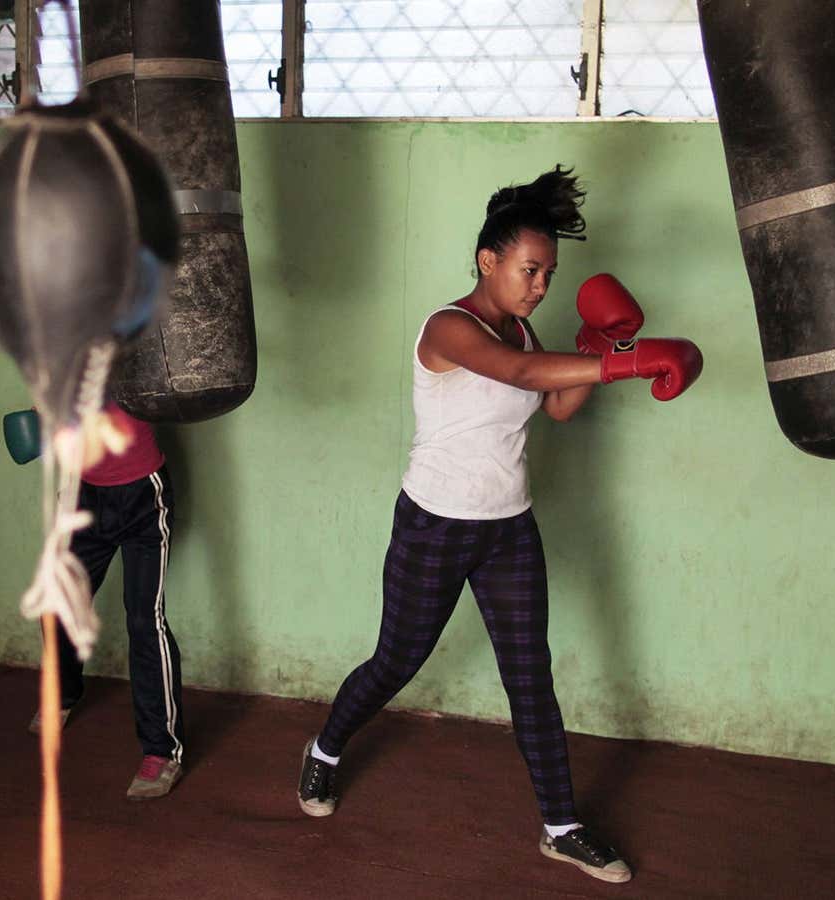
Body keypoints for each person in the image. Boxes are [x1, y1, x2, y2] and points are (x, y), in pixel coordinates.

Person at [294, 165, 701, 883]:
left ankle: (562, 825)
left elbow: (555, 408)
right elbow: (515, 374)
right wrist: (626, 366)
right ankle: (324, 749)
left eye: (548, 274)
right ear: (489, 260)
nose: (539, 285)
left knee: (529, 675)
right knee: (397, 660)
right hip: (435, 525)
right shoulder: (450, 327)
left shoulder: (522, 324)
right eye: (529, 270)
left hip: (508, 526)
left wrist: (595, 353)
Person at [28, 401, 185, 799]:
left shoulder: (137, 338)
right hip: (84, 493)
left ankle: (162, 751)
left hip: (142, 495)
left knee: (144, 621)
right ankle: (64, 691)